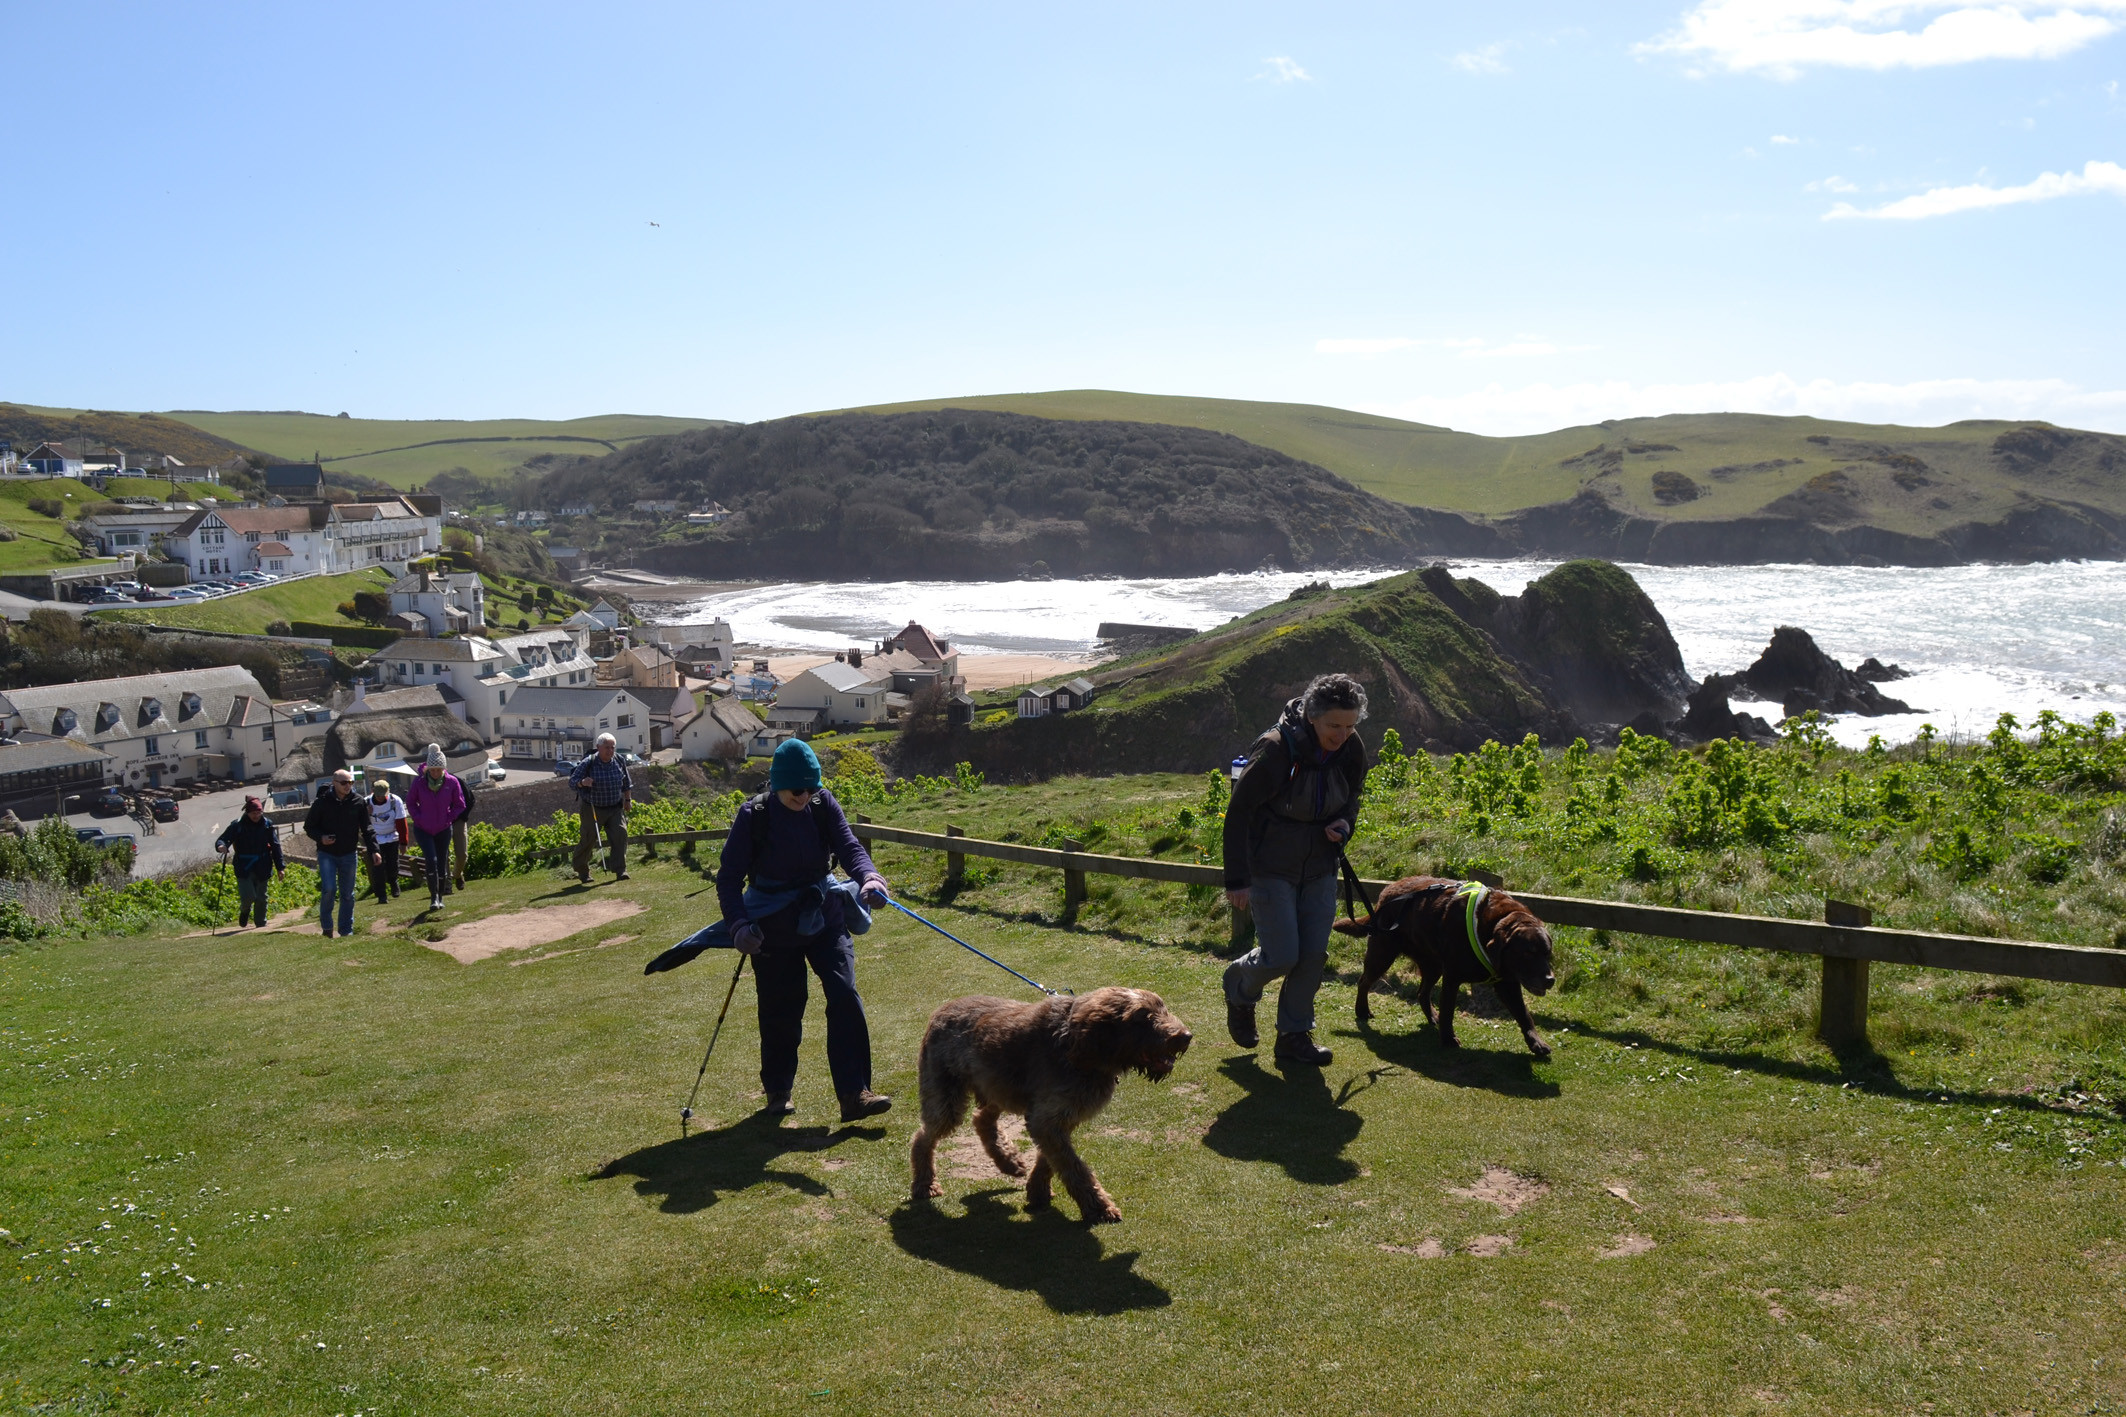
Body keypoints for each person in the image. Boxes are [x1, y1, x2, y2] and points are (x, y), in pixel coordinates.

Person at [716, 738, 893, 1122]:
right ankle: (778, 1092)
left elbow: (849, 846)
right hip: (772, 928)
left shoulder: (821, 804)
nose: (806, 795)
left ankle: (855, 1094)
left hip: (824, 914)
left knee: (845, 993)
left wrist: (869, 877)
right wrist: (738, 926)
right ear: (778, 784)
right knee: (782, 1008)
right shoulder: (754, 816)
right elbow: (728, 879)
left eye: (812, 788)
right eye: (798, 789)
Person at [1221, 673, 1372, 1067]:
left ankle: (1294, 1036)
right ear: (1311, 716)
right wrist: (1237, 879)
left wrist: (1345, 825)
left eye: (1350, 725)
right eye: (1333, 726)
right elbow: (1238, 813)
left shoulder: (1352, 749)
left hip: (1321, 866)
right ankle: (1239, 985)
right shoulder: (1275, 750)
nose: (1342, 735)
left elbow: (1351, 798)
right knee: (1282, 955)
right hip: (1271, 868)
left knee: (1311, 957)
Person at [303, 768, 374, 938]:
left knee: (347, 894)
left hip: (349, 853)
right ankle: (327, 927)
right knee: (329, 888)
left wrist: (374, 850)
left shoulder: (358, 802)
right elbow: (309, 827)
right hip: (327, 853)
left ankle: (345, 930)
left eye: (350, 782)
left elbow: (367, 828)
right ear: (334, 783)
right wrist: (321, 837)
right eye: (344, 783)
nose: (348, 786)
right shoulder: (322, 802)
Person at [405, 744, 468, 912]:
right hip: (423, 829)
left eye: (438, 770)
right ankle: (433, 897)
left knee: (441, 862)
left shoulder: (451, 782)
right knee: (431, 861)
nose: (435, 773)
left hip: (443, 829)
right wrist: (419, 818)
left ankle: (440, 897)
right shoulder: (419, 782)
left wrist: (448, 818)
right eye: (432, 770)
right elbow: (410, 802)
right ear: (427, 769)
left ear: (443, 769)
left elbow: (460, 804)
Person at [569, 733, 632, 883]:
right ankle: (583, 871)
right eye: (606, 747)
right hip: (592, 808)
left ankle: (620, 870)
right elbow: (572, 782)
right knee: (588, 839)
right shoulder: (588, 762)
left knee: (620, 834)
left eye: (612, 747)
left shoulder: (619, 760)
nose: (610, 751)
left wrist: (628, 800)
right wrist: (583, 782)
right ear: (598, 748)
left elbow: (627, 783)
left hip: (615, 807)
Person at [215, 795, 286, 928]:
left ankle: (260, 924)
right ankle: (245, 911)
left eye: (258, 813)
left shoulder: (267, 825)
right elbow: (223, 839)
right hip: (243, 866)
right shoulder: (237, 825)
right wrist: (221, 846)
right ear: (247, 812)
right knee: (248, 896)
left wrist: (280, 867)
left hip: (263, 864)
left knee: (261, 898)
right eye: (253, 813)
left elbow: (275, 846)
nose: (256, 816)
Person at [365, 773, 408, 904]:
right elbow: (360, 823)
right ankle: (381, 895)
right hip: (375, 839)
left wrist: (403, 842)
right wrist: (367, 814)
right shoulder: (366, 803)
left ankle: (393, 881)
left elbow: (401, 822)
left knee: (392, 865)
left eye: (383, 796)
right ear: (373, 793)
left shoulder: (395, 801)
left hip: (392, 836)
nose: (380, 798)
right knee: (378, 867)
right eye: (377, 796)